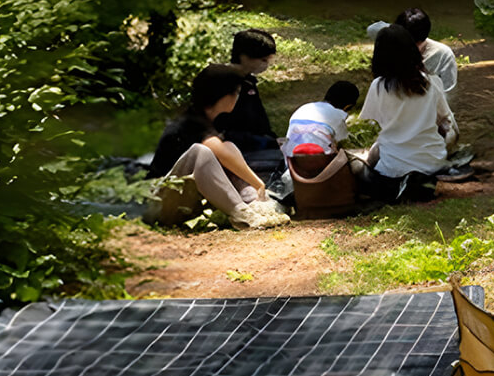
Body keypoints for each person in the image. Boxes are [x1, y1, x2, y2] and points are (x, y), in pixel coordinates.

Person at [147, 64, 289, 228]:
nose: (237, 98)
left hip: (177, 202)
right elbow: (221, 153)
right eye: (235, 92)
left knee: (227, 147)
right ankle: (243, 214)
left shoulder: (208, 120)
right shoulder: (190, 122)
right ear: (221, 95)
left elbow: (227, 152)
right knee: (202, 152)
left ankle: (255, 204)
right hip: (156, 204)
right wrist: (259, 184)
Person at [360, 24, 456, 199]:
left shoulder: (379, 86)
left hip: (392, 165)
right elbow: (443, 118)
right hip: (433, 160)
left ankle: (404, 184)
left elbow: (376, 121)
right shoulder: (432, 82)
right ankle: (420, 181)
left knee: (367, 166)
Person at [213, 28, 284, 177]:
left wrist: (274, 139)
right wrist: (268, 143)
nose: (266, 65)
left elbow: (259, 121)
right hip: (237, 151)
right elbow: (224, 133)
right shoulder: (225, 84)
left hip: (255, 146)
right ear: (244, 57)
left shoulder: (248, 82)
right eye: (263, 60)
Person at [366, 8, 457, 97]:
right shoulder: (392, 38)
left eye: (413, 45)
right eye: (403, 42)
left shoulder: (443, 55)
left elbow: (447, 93)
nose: (408, 48)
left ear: (423, 38)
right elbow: (372, 29)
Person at [285, 80, 358, 158]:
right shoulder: (337, 115)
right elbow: (344, 144)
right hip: (320, 161)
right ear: (348, 106)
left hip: (292, 159)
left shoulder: (304, 108)